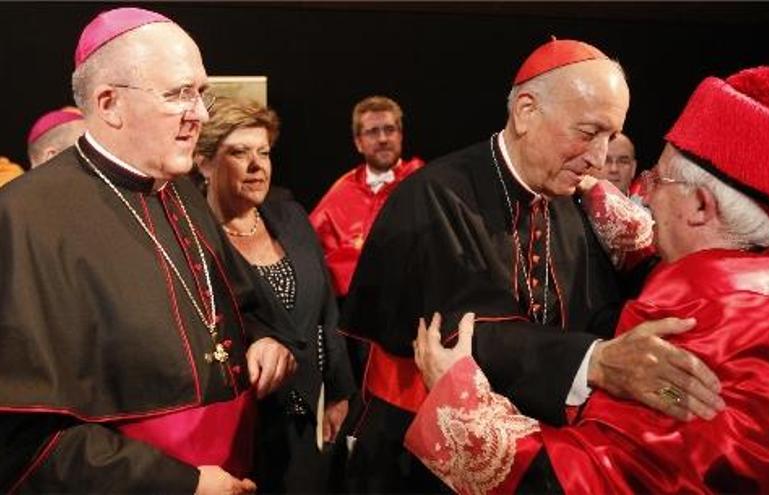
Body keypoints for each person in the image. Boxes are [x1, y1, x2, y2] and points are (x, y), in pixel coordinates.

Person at [407, 65, 769, 494]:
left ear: (699, 207)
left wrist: (462, 413)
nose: (643, 191)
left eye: (657, 177)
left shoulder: (691, 325)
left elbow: (594, 482)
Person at [340, 38, 723, 492]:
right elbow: (471, 333)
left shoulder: (575, 199)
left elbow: (592, 310)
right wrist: (598, 361)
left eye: (610, 138)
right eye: (587, 132)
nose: (599, 159)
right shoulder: (433, 196)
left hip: (540, 455)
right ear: (525, 111)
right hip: (420, 462)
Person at [0, 8, 299, 493]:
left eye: (201, 94)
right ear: (110, 103)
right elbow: (21, 442)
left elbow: (237, 307)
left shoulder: (179, 190)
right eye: (180, 94)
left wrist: (264, 341)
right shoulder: (23, 219)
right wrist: (179, 484)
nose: (201, 114)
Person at [194, 96, 356, 493]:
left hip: (311, 419)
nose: (257, 166)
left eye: (264, 153)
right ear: (205, 162)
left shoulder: (291, 216)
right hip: (243, 425)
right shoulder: (194, 238)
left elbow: (326, 312)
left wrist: (338, 391)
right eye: (239, 153)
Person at [310, 95, 424, 299]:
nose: (382, 139)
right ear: (358, 143)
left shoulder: (422, 182)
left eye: (389, 129)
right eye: (372, 131)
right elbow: (309, 249)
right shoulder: (342, 190)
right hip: (349, 309)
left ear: (400, 135)